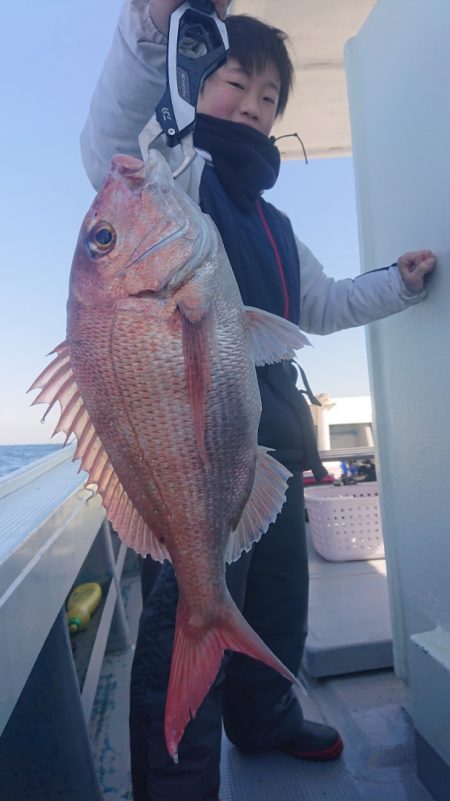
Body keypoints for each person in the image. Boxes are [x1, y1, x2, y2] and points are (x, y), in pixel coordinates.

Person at [81, 2, 436, 799]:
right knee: (190, 622)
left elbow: (324, 302)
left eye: (269, 96)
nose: (251, 103)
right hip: (194, 457)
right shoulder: (170, 176)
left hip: (271, 451)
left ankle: (267, 715)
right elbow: (107, 139)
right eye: (234, 80)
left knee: (278, 607)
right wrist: (149, 30)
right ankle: (180, 781)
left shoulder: (273, 223)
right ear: (192, 84)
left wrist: (399, 288)